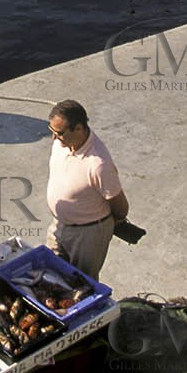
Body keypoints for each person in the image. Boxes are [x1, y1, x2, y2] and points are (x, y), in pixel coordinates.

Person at [46, 100, 129, 279]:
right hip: (59, 225)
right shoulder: (61, 143)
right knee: (50, 275)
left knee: (81, 283)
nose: (54, 138)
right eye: (51, 131)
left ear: (78, 129)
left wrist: (113, 223)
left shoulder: (98, 164)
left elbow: (120, 206)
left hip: (87, 234)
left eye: (59, 133)